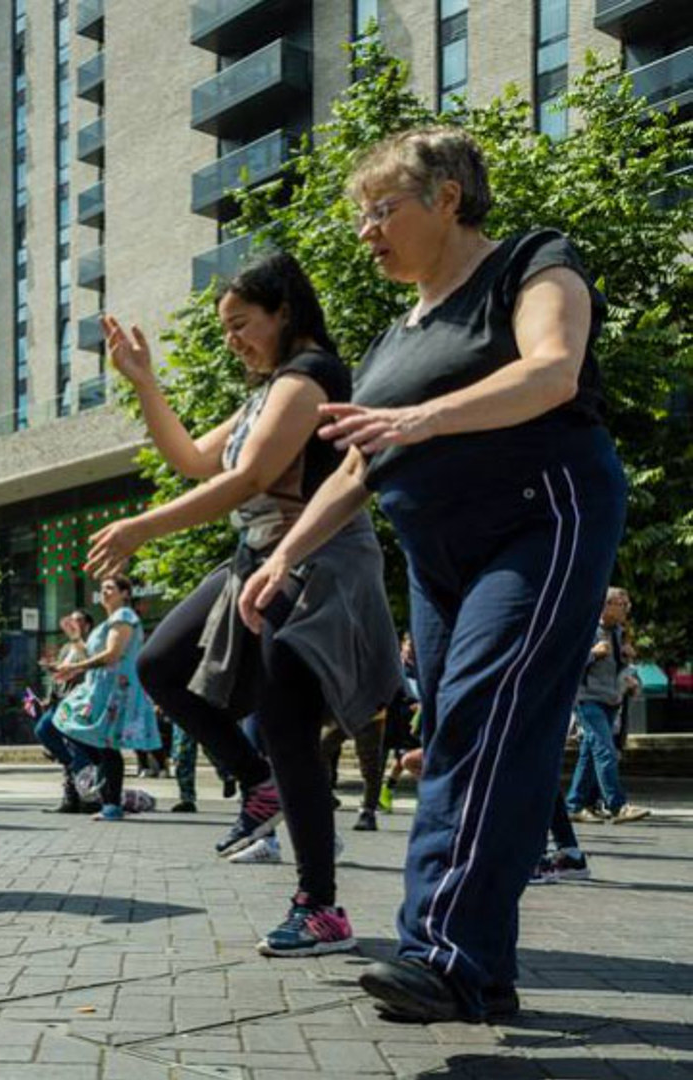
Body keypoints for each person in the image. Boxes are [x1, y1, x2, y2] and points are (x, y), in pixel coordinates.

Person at [238, 127, 625, 1023]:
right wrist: (285, 557)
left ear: (447, 196)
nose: (366, 231)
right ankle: (479, 970)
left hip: (540, 516)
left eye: (382, 209)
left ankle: (442, 956)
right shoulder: (391, 337)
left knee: (482, 726)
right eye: (360, 215)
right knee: (465, 735)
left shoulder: (531, 262)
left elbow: (552, 372)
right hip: (439, 558)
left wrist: (423, 420)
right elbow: (355, 469)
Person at [93, 251, 400, 956]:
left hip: (315, 560)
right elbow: (197, 462)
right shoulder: (265, 391)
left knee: (289, 719)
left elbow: (254, 475)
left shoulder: (309, 378)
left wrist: (144, 527)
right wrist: (144, 382)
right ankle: (257, 784)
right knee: (162, 664)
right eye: (225, 329)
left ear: (283, 312)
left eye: (242, 325)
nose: (233, 340)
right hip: (255, 558)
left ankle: (319, 906)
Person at [48, 576, 158, 821]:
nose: (104, 592)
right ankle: (106, 792)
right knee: (70, 725)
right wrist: (76, 639)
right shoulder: (105, 624)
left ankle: (111, 804)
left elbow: (112, 655)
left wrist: (75, 669)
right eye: (102, 588)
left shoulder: (124, 618)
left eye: (110, 588)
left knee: (107, 747)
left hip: (116, 690)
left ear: (125, 593)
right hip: (98, 690)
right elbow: (91, 654)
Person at [566, 588, 649, 824]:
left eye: (627, 605)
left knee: (590, 754)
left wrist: (631, 676)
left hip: (611, 700)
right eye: (622, 604)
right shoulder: (586, 629)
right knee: (605, 750)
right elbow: (566, 664)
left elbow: (619, 670)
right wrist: (592, 654)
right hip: (586, 699)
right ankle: (618, 805)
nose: (626, 609)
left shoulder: (620, 633)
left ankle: (576, 804)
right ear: (606, 605)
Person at [35, 611, 97, 814]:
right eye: (71, 620)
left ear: (87, 626)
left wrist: (77, 639)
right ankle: (73, 772)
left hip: (79, 703)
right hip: (60, 702)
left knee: (78, 748)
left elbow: (90, 665)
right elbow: (60, 675)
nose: (74, 623)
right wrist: (49, 695)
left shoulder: (91, 644)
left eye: (79, 620)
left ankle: (84, 797)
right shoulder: (66, 648)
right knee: (43, 730)